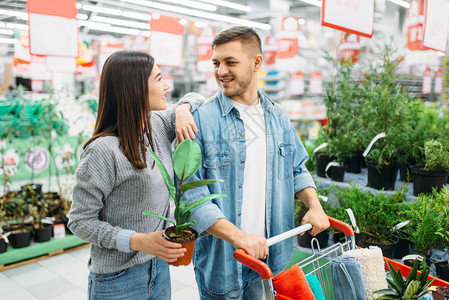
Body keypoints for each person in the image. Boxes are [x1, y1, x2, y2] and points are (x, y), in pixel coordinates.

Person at [185, 26, 330, 299]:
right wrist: (241, 238)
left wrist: (314, 205)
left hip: (269, 257)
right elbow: (192, 197)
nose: (220, 71)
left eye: (230, 62)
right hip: (223, 262)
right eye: (216, 63)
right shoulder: (200, 120)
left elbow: (296, 168)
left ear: (257, 62)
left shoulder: (277, 116)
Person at [68, 50, 204, 300]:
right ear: (135, 89)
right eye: (159, 78)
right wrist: (138, 241)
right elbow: (79, 221)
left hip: (159, 269)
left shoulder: (157, 125)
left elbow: (197, 97)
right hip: (118, 279)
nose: (166, 85)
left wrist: (183, 109)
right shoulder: (103, 150)